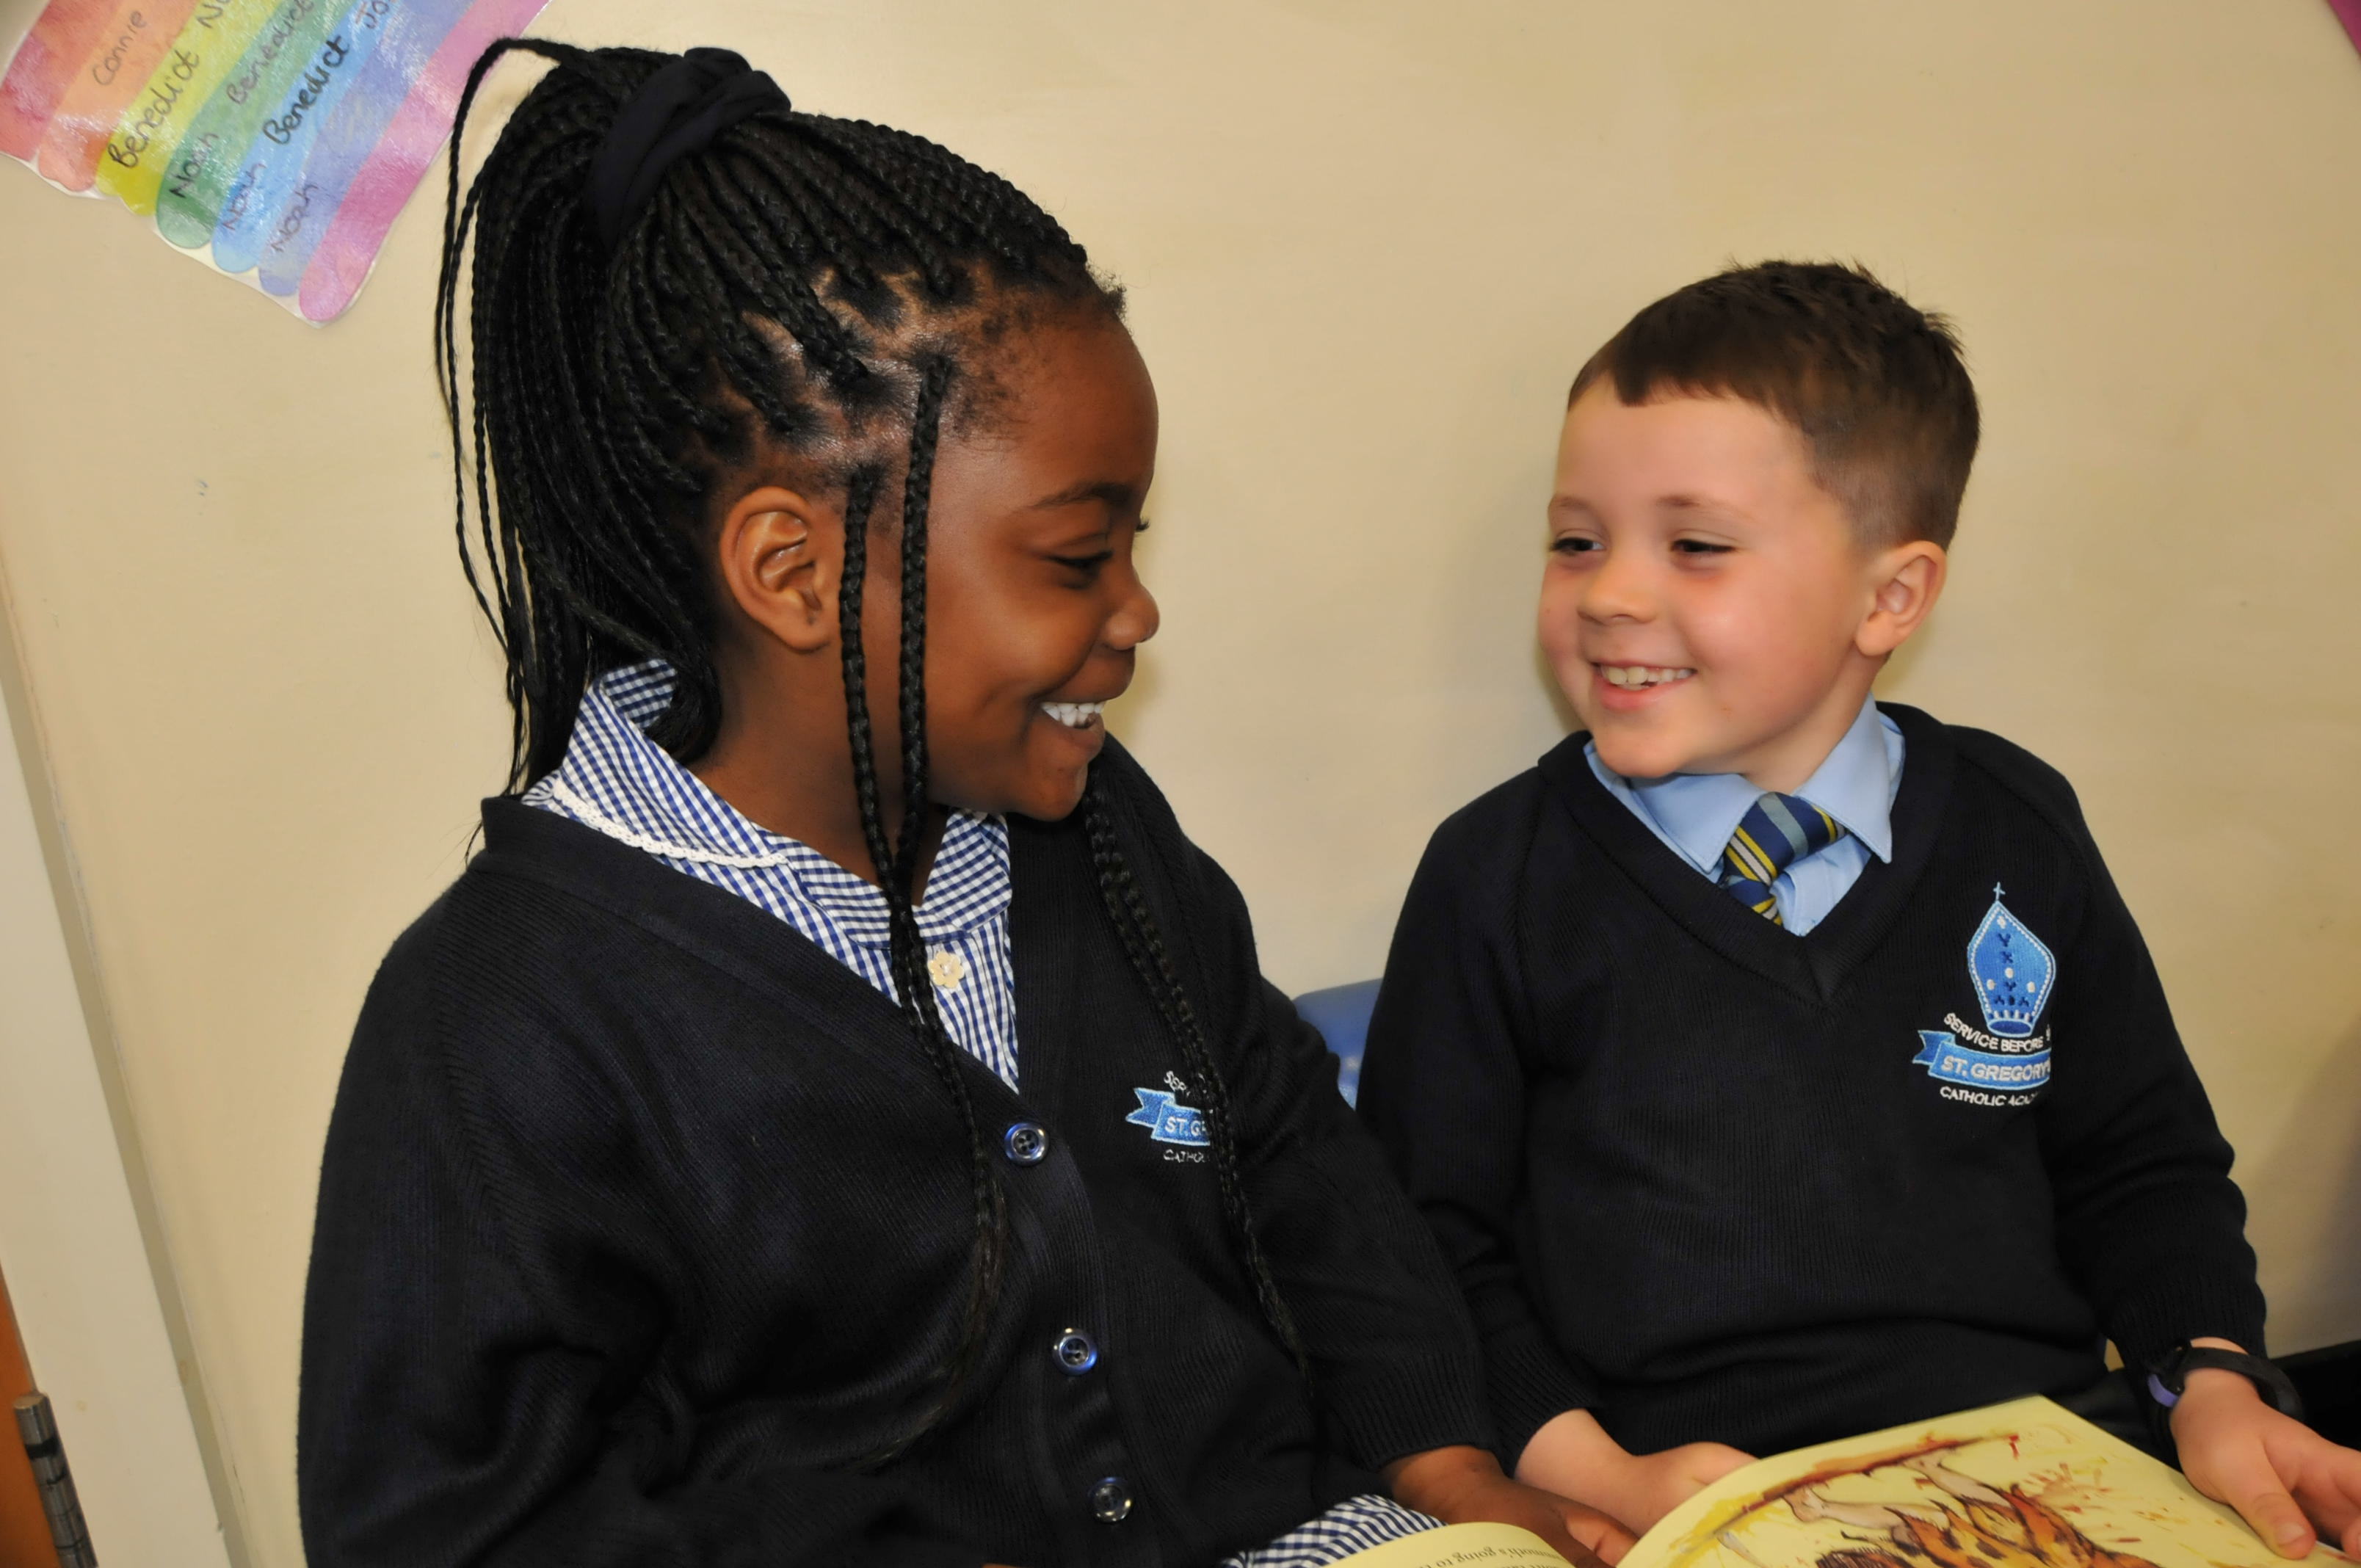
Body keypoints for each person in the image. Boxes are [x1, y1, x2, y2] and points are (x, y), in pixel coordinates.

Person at [294, 38, 1636, 1568]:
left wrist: (1445, 1462)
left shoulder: (1095, 835)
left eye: (1135, 547)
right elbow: (454, 1526)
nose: (1137, 613)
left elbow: (1286, 1155)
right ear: (794, 571)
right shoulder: (505, 1022)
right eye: (1076, 559)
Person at [1357, 262, 2361, 1557]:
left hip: (2045, 1470)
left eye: (1695, 545)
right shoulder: (1497, 874)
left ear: (1890, 597)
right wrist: (1597, 1471)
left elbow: (2142, 1165)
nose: (1608, 593)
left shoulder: (2017, 823)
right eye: (1576, 541)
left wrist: (2212, 1380)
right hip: (1673, 1497)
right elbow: (1424, 1250)